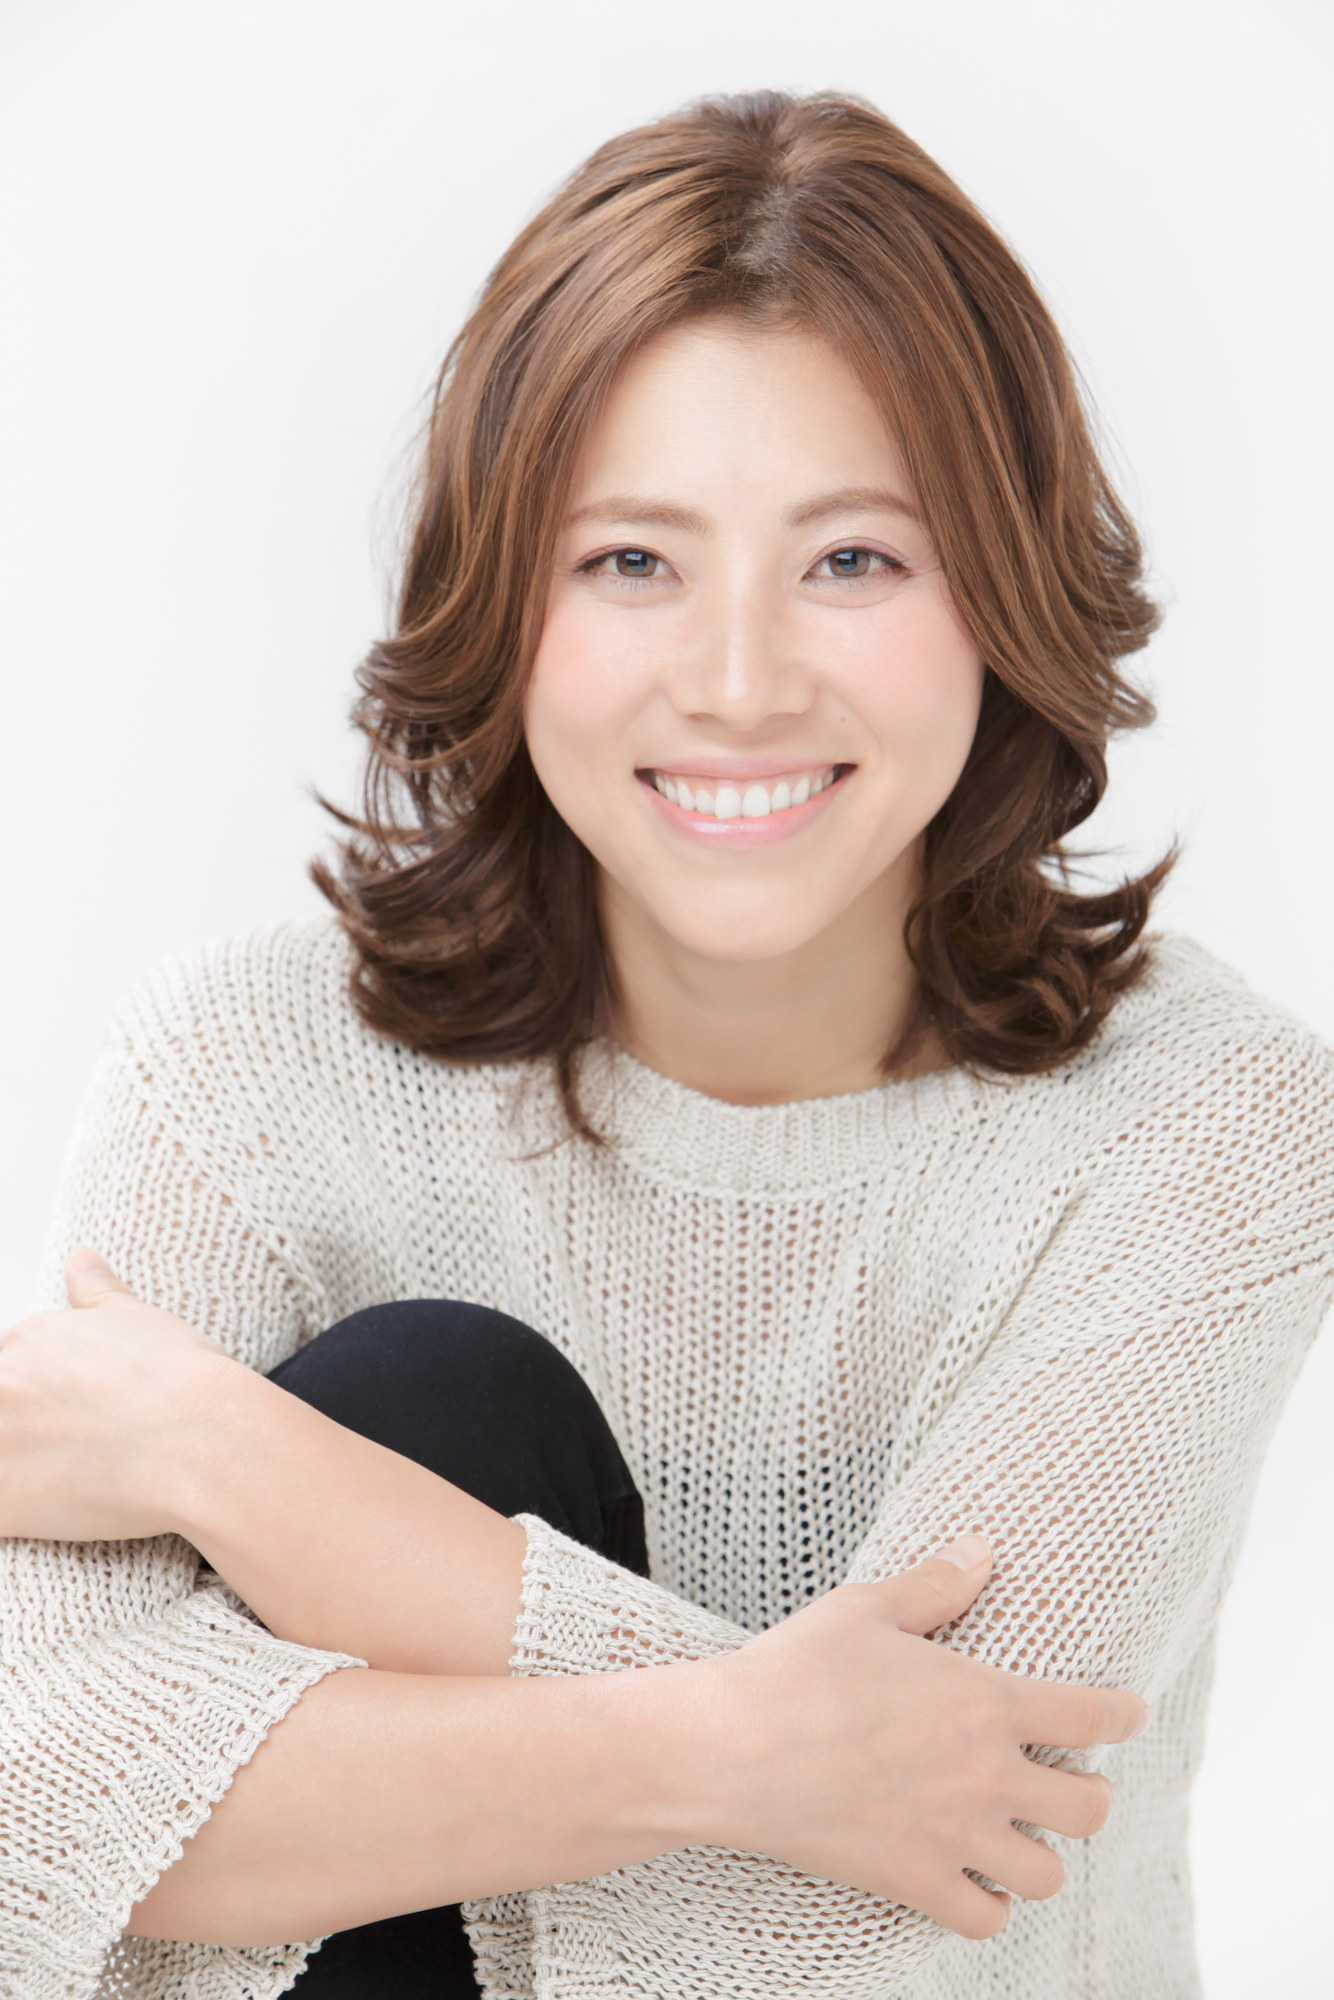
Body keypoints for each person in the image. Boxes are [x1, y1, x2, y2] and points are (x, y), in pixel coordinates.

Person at [0, 87, 1329, 2000]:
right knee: (433, 1395)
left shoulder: (1202, 1127)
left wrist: (242, 1464)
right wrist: (742, 1749)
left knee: (386, 1428)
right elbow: (37, 1817)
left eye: (851, 560)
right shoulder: (248, 1075)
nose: (736, 682)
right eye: (633, 561)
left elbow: (898, 1918)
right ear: (505, 597)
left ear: (1000, 591)